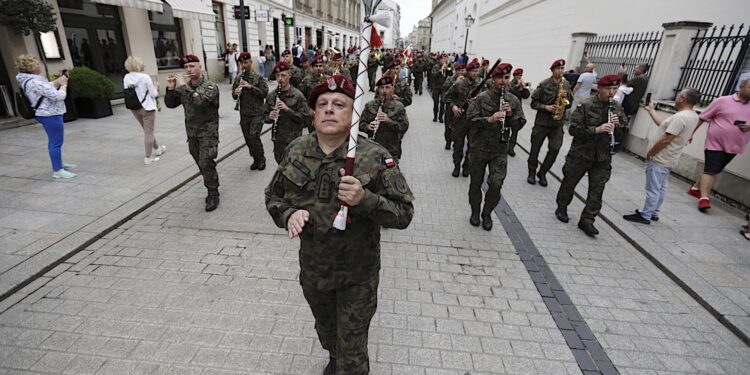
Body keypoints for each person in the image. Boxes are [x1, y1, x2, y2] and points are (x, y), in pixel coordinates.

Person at [265, 74, 414, 375]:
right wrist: (288, 214)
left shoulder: (374, 156)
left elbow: (403, 213)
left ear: (353, 114)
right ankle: (335, 356)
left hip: (356, 276)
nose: (329, 109)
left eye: (339, 104)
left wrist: (365, 199)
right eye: (322, 104)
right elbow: (274, 196)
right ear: (314, 113)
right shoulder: (296, 150)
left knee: (353, 352)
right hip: (314, 271)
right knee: (327, 332)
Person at [555, 74, 628, 237]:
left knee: (597, 189)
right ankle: (562, 207)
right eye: (608, 88)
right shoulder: (586, 105)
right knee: (569, 183)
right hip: (581, 154)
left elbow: (624, 133)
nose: (612, 92)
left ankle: (587, 220)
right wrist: (596, 129)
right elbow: (573, 129)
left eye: (615, 89)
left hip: (602, 156)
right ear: (599, 88)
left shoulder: (616, 107)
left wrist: (618, 126)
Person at [622, 88, 701, 224]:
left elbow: (666, 139)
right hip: (669, 158)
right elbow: (664, 126)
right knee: (661, 187)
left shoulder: (680, 117)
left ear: (682, 99)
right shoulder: (692, 115)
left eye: (678, 95)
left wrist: (651, 153)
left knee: (653, 188)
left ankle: (645, 215)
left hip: (660, 158)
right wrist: (651, 110)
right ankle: (653, 212)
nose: (676, 97)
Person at [466, 63, 525, 230]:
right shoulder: (482, 98)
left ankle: (487, 212)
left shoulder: (512, 100)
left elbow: (519, 124)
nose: (503, 81)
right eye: (500, 77)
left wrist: (511, 115)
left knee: (496, 184)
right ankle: (475, 211)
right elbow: (470, 121)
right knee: (476, 183)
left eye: (506, 78)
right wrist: (489, 120)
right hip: (479, 148)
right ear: (493, 78)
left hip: (499, 150)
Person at [165, 55, 221, 211]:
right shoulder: (186, 87)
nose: (188, 69)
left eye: (192, 66)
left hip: (208, 133)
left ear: (200, 67)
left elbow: (200, 101)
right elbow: (170, 104)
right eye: (186, 67)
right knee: (202, 164)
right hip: (192, 133)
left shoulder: (210, 86)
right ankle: (212, 182)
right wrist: (171, 87)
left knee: (206, 162)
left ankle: (213, 193)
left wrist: (183, 86)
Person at [687, 79, 750, 212]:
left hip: (735, 145)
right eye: (749, 87)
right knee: (711, 170)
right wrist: (690, 133)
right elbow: (702, 117)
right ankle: (704, 198)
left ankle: (695, 188)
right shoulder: (722, 101)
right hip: (715, 142)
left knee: (714, 169)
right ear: (741, 87)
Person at [15, 54, 77, 179]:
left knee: (54, 142)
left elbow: (46, 89)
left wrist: (57, 81)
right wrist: (64, 85)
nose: (39, 65)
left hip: (47, 113)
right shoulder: (34, 81)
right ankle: (58, 170)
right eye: (37, 63)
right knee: (56, 142)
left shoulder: (32, 80)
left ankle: (58, 163)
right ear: (31, 67)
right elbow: (58, 96)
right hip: (50, 113)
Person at [527, 59, 573, 186]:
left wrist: (565, 98)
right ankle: (531, 171)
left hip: (557, 125)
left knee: (555, 149)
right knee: (535, 149)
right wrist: (545, 107)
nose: (561, 71)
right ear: (552, 70)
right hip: (542, 123)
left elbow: (569, 104)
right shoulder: (544, 84)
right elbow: (533, 103)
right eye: (558, 68)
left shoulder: (566, 84)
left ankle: (542, 172)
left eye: (563, 68)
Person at [264, 61, 311, 163]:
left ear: (289, 75)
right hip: (278, 139)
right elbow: (264, 116)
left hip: (294, 140)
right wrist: (269, 117)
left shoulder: (298, 95)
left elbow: (305, 119)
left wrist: (288, 110)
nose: (280, 79)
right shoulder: (272, 95)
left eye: (283, 75)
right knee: (280, 163)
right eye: (277, 76)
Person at [123, 56, 166, 165]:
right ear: (138, 65)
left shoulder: (126, 77)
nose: (143, 65)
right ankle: (148, 157)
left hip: (134, 108)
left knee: (147, 131)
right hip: (147, 108)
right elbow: (154, 94)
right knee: (148, 132)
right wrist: (156, 87)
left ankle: (158, 149)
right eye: (142, 63)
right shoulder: (145, 77)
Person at [232, 52, 269, 171]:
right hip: (244, 114)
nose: (244, 65)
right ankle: (256, 159)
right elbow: (233, 95)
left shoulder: (258, 77)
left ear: (251, 62)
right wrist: (235, 93)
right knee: (248, 138)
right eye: (242, 63)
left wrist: (250, 87)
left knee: (254, 135)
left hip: (257, 113)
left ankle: (261, 158)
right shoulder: (238, 78)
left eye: (246, 62)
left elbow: (264, 93)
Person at [446, 58, 482, 178]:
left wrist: (477, 103)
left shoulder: (481, 86)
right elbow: (447, 97)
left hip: (474, 121)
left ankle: (466, 166)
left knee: (472, 147)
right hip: (460, 120)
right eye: (473, 71)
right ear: (468, 72)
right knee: (458, 146)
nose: (475, 73)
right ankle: (456, 166)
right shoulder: (459, 84)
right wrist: (454, 107)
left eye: (477, 71)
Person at [359, 75, 409, 160]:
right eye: (382, 88)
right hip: (372, 149)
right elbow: (361, 124)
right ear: (378, 90)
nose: (384, 91)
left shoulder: (399, 107)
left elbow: (404, 127)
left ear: (392, 89)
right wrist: (367, 127)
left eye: (387, 87)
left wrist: (389, 121)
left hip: (391, 150)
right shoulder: (370, 105)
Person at [442, 63, 466, 152]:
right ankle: (448, 141)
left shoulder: (466, 81)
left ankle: (456, 143)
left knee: (459, 128)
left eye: (462, 70)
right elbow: (445, 92)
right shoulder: (449, 79)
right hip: (450, 107)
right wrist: (455, 83)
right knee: (448, 126)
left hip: (461, 108)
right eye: (458, 70)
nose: (460, 72)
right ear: (455, 71)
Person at [507, 67, 530, 157]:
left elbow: (526, 96)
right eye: (518, 75)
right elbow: (509, 93)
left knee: (515, 130)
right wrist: (517, 87)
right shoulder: (510, 83)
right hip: (508, 108)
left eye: (521, 75)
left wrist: (524, 88)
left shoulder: (521, 85)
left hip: (516, 111)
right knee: (506, 129)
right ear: (514, 76)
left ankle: (511, 148)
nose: (520, 77)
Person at [430, 54, 448, 125]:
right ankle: (435, 116)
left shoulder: (448, 65)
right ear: (439, 59)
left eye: (445, 59)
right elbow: (433, 76)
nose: (444, 60)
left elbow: (451, 74)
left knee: (443, 103)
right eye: (442, 59)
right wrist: (440, 71)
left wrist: (447, 68)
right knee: (436, 103)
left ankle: (440, 117)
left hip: (444, 87)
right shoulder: (436, 66)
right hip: (437, 87)